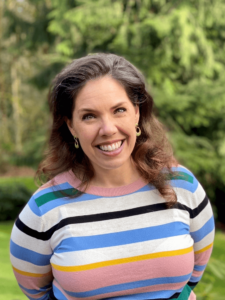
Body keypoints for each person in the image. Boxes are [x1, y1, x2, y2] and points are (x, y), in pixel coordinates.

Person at [10, 53, 214, 300]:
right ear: (71, 126)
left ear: (136, 113)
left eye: (119, 110)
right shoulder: (44, 210)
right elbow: (35, 291)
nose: (108, 129)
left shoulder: (183, 186)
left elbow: (193, 275)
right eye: (89, 116)